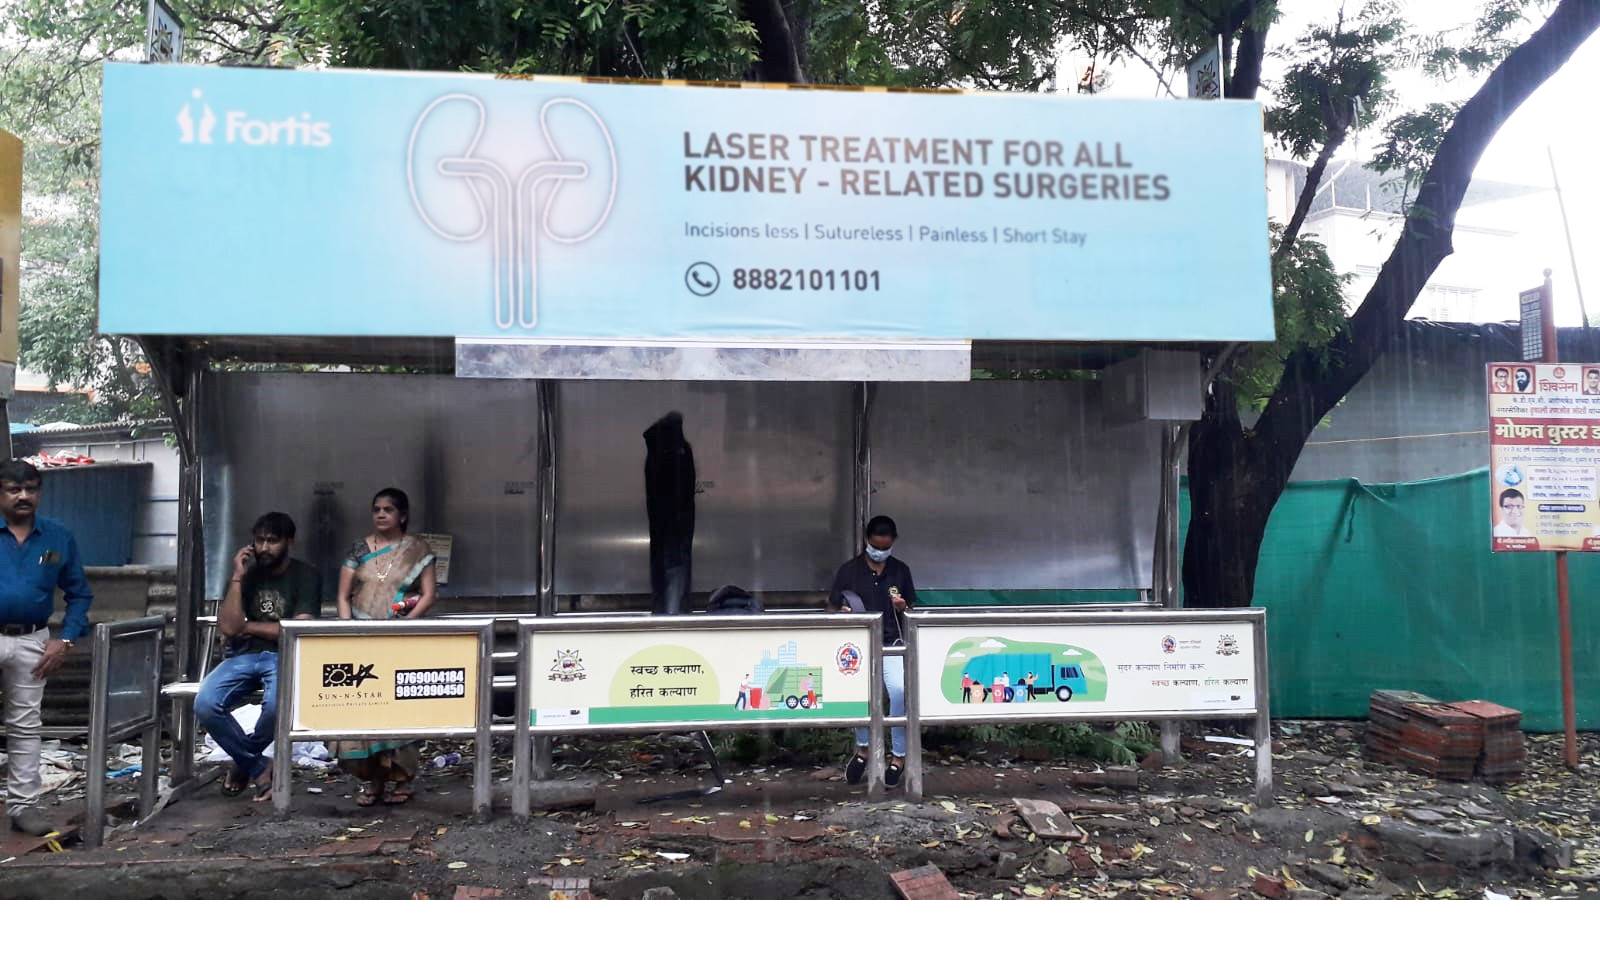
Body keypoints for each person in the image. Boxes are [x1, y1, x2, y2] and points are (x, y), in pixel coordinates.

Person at [199, 512, 321, 802]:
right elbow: (228, 627)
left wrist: (249, 626)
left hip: (283, 656)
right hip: (244, 655)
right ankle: (257, 766)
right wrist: (237, 577)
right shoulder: (248, 575)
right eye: (260, 541)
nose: (265, 548)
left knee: (276, 707)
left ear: (289, 542)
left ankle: (244, 763)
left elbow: (297, 629)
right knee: (205, 703)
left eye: (272, 541)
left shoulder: (306, 576)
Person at [0, 461, 92, 835]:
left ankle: (24, 807)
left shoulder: (56, 537)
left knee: (25, 726)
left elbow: (80, 593)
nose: (24, 496)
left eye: (31, 489)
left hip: (33, 639)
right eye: (13, 489)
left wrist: (65, 640)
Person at [332, 488, 437, 806]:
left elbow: (429, 594)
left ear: (402, 515)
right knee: (363, 707)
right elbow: (342, 595)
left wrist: (405, 626)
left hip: (400, 639)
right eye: (376, 509)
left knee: (398, 707)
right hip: (360, 638)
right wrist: (350, 628)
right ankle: (372, 781)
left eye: (388, 510)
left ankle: (402, 779)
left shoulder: (418, 549)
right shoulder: (358, 548)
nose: (380, 514)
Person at [828, 515, 917, 789]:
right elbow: (830, 606)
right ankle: (863, 749)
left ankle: (899, 756)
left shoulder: (900, 571)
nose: (880, 551)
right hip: (858, 646)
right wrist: (841, 613)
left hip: (891, 643)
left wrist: (903, 607)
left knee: (899, 692)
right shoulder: (849, 571)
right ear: (867, 541)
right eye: (876, 545)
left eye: (886, 546)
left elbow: (913, 609)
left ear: (893, 543)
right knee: (862, 696)